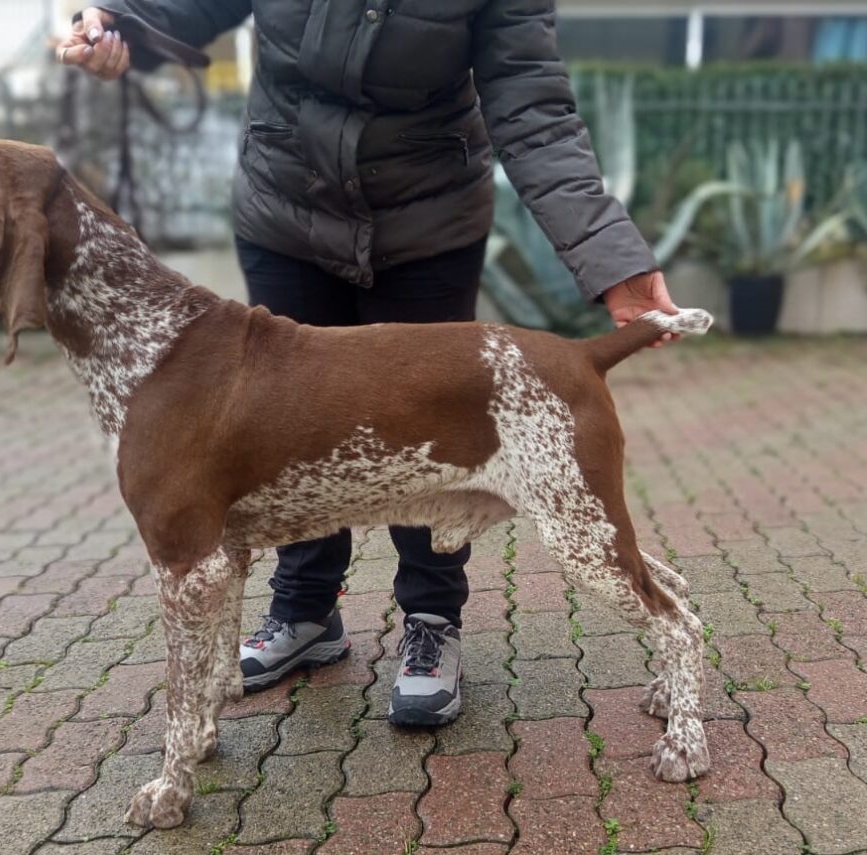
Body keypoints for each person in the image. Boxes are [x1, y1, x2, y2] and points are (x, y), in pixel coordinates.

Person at [58, 1, 680, 727]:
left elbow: (532, 106)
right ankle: (304, 612)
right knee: (285, 426)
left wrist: (610, 258)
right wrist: (120, 22)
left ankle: (432, 621)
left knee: (437, 429)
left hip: (427, 215)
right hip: (288, 203)